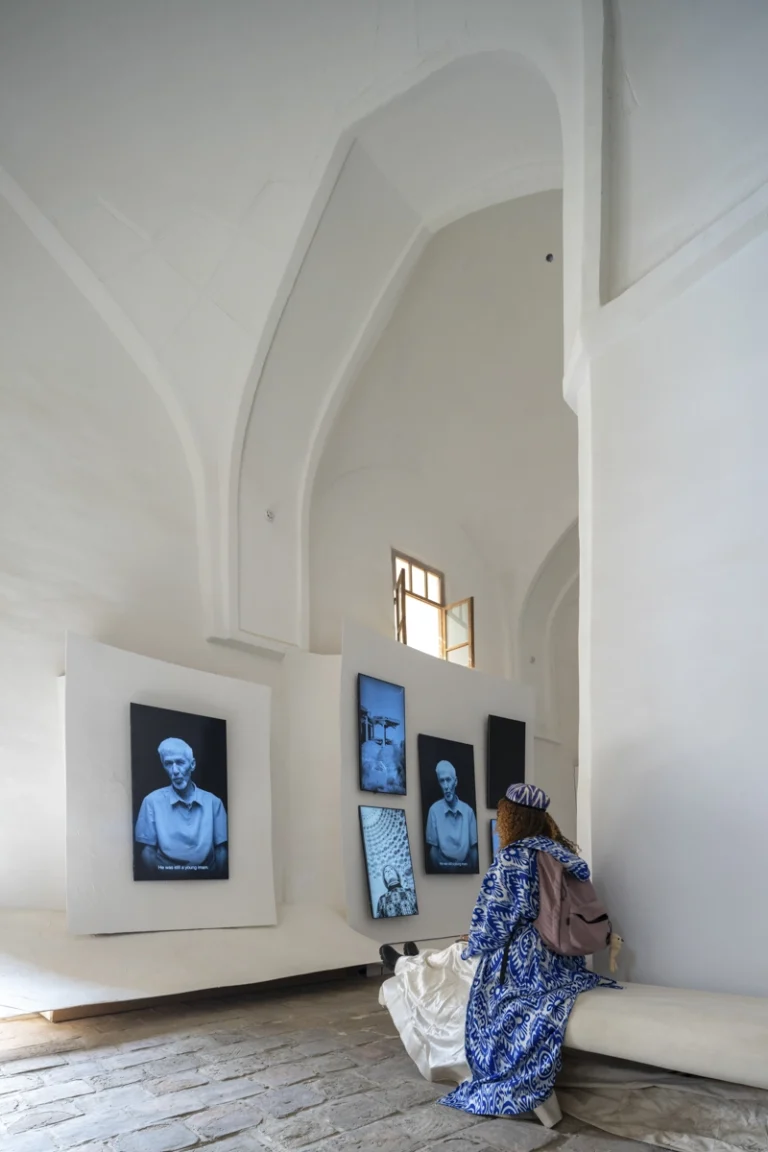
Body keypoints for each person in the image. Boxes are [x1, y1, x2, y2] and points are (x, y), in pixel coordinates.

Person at [379, 782, 617, 1119]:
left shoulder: (514, 856)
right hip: (563, 964)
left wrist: (472, 939)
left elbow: (492, 923)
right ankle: (410, 960)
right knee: (454, 958)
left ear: (511, 818)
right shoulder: (561, 854)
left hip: (522, 966)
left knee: (457, 961)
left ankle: (407, 964)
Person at [134, 737, 228, 878]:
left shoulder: (214, 803)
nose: (175, 770)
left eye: (180, 762)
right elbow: (147, 852)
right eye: (168, 764)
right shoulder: (151, 801)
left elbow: (221, 851)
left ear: (192, 765)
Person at [425, 760, 478, 872]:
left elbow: (474, 851)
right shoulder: (434, 810)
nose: (446, 786)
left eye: (448, 780)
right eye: (442, 781)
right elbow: (433, 851)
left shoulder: (468, 811)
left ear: (456, 781)